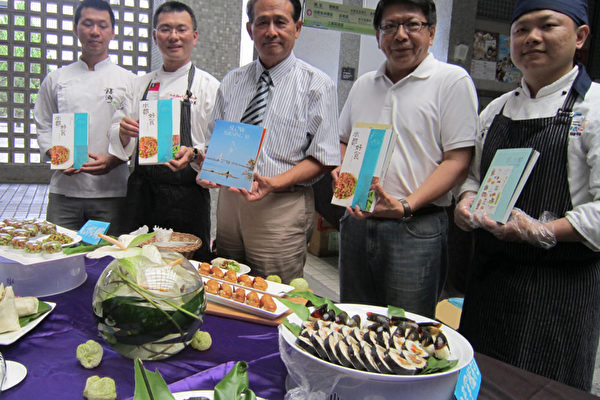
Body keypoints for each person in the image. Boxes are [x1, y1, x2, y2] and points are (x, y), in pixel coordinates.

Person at [454, 0, 600, 391]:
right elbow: (473, 177)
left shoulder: (595, 108)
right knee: (481, 382)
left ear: (581, 36)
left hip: (560, 288)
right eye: (521, 29)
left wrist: (542, 230)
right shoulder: (496, 111)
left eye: (547, 26)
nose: (531, 38)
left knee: (545, 388)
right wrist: (466, 202)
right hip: (490, 281)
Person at [333, 0, 478, 318]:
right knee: (353, 320)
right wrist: (342, 171)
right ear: (378, 36)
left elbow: (458, 160)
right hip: (358, 221)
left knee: (406, 326)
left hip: (416, 228)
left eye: (412, 24)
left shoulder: (452, 81)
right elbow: (343, 140)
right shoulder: (364, 85)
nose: (400, 35)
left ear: (431, 32)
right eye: (389, 26)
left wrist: (406, 205)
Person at [198, 0, 340, 284]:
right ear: (250, 29)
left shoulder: (317, 85)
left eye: (280, 22)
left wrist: (274, 183)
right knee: (226, 284)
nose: (271, 31)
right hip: (230, 205)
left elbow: (324, 157)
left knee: (274, 290)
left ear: (297, 28)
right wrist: (205, 164)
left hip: (281, 207)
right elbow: (214, 142)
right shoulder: (233, 81)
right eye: (262, 22)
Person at [109, 1, 219, 261]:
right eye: (166, 29)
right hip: (141, 193)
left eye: (181, 29)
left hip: (188, 197)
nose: (173, 36)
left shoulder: (209, 87)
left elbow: (217, 148)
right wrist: (123, 131)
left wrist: (195, 154)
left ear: (194, 36)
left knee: (187, 268)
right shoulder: (139, 85)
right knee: (135, 263)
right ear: (155, 36)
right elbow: (116, 132)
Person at [34, 0, 134, 235]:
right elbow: (43, 123)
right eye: (88, 24)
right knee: (59, 251)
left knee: (105, 254)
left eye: (102, 25)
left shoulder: (128, 81)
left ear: (112, 32)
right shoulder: (57, 79)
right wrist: (54, 153)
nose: (95, 31)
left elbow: (135, 132)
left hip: (112, 193)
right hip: (64, 192)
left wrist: (114, 160)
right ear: (75, 28)